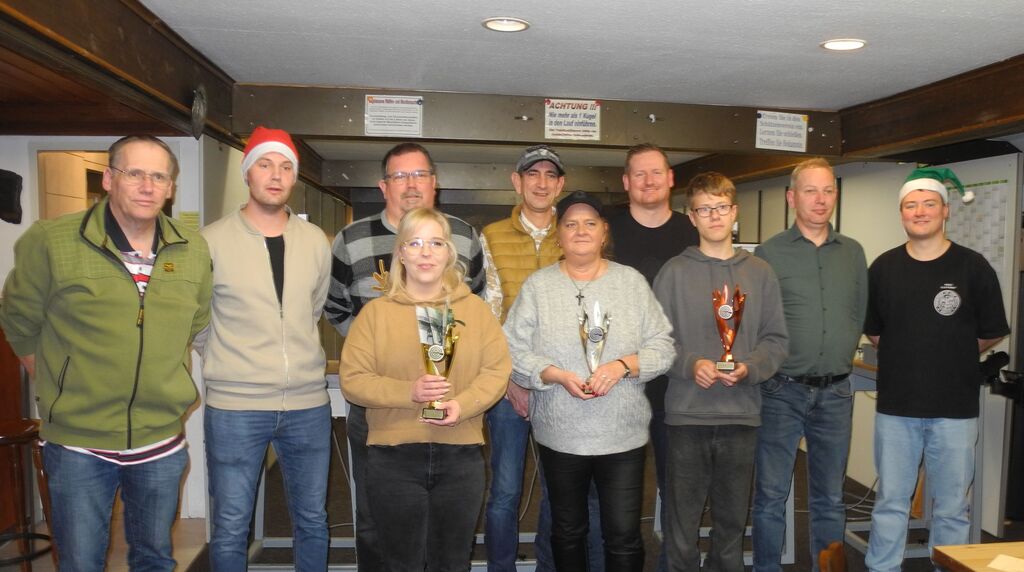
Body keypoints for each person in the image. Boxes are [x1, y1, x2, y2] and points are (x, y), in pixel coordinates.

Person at [0, 135, 212, 571]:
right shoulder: (53, 240)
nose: (148, 186)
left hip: (160, 440)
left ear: (171, 187)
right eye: (135, 173)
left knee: (155, 559)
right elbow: (19, 320)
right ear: (109, 179)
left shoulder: (192, 250)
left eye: (159, 176)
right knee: (81, 562)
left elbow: (195, 321)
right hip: (79, 443)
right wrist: (61, 380)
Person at [324, 142, 487, 570]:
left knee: (449, 534)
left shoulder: (464, 235)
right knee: (376, 520)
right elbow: (335, 305)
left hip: (453, 411)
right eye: (400, 176)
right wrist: (378, 346)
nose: (411, 184)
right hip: (382, 411)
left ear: (435, 183)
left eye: (419, 175)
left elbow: (479, 304)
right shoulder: (351, 239)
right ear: (384, 186)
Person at [504, 190, 675, 571]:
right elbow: (512, 350)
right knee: (567, 531)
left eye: (590, 223)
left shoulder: (630, 283)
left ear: (603, 232)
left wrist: (623, 366)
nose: (581, 231)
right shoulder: (538, 286)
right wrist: (554, 374)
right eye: (570, 224)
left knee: (624, 535)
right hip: (561, 434)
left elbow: (663, 347)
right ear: (559, 235)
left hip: (622, 434)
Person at [340, 207, 510, 570]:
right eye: (415, 243)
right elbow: (353, 380)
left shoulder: (476, 312)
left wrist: (463, 405)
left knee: (453, 561)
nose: (426, 252)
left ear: (449, 252)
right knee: (400, 562)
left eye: (435, 243)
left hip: (461, 454)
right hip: (393, 455)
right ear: (400, 252)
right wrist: (409, 393)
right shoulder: (375, 314)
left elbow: (496, 370)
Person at [196, 126, 332, 570]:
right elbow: (197, 319)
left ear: (295, 177)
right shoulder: (209, 241)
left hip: (307, 404)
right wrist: (229, 358)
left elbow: (312, 309)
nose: (276, 175)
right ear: (247, 173)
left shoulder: (316, 241)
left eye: (286, 167)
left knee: (312, 519)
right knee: (231, 524)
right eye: (265, 164)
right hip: (235, 406)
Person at [864, 167, 1009, 572]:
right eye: (911, 205)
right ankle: (882, 568)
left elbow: (992, 331)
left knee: (952, 507)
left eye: (929, 204)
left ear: (946, 210)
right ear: (902, 214)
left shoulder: (973, 267)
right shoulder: (883, 268)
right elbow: (875, 331)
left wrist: (950, 353)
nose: (920, 212)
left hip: (955, 410)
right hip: (897, 408)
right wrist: (911, 352)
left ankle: (948, 566)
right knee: (891, 502)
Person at [652, 172, 788, 572]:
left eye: (721, 207)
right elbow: (656, 341)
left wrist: (750, 367)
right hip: (686, 416)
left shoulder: (761, 272)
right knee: (681, 526)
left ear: (735, 212)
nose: (714, 216)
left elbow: (776, 339)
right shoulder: (673, 272)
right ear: (692, 217)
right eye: (704, 209)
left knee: (731, 526)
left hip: (740, 415)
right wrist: (691, 364)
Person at [751, 158, 867, 572]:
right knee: (770, 495)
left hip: (836, 392)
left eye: (828, 191)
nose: (820, 199)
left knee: (830, 497)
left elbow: (858, 312)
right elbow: (757, 321)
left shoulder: (852, 252)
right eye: (810, 191)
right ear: (791, 197)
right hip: (781, 391)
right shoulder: (769, 253)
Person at [607, 143, 699, 571]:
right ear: (626, 182)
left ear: (671, 178)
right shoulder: (604, 229)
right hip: (615, 378)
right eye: (639, 174)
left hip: (676, 379)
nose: (648, 181)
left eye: (656, 172)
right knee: (614, 489)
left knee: (676, 486)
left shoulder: (692, 231)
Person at [481, 144, 565, 571]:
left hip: (562, 388)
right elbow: (487, 316)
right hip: (507, 388)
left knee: (558, 490)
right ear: (517, 182)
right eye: (533, 174)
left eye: (550, 175)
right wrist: (512, 380)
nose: (541, 183)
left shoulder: (577, 233)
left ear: (560, 185)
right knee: (505, 491)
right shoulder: (491, 236)